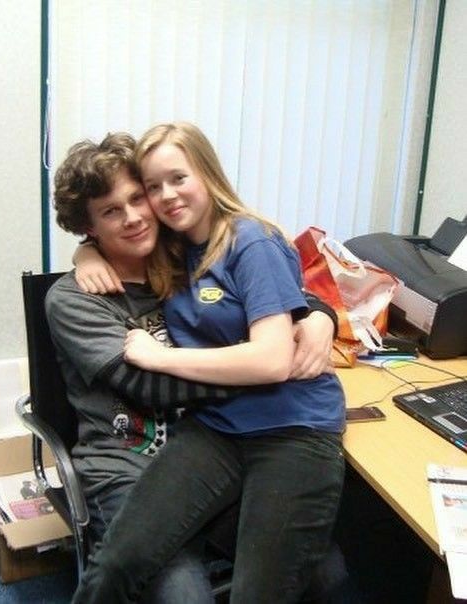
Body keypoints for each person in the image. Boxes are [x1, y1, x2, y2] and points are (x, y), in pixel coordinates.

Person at [47, 132, 339, 603]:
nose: (138, 215)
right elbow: (151, 387)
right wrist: (269, 368)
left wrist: (320, 315)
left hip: (220, 440)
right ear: (89, 228)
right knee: (183, 594)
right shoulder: (76, 299)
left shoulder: (179, 255)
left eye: (138, 197)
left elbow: (266, 279)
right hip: (128, 464)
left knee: (325, 570)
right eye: (110, 212)